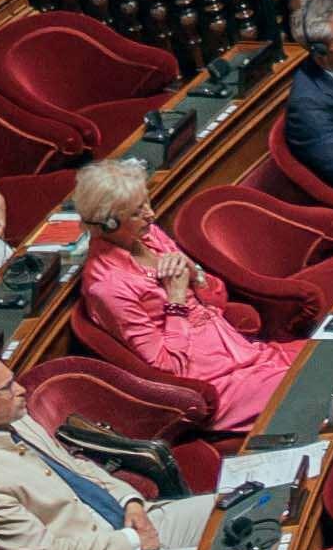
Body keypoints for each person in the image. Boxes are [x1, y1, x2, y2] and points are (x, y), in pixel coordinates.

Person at [0, 352, 207, 550]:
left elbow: (79, 468)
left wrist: (130, 502)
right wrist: (132, 540)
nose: (21, 389)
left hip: (132, 518)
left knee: (240, 508)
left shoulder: (16, 420)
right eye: (7, 388)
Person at [62, 163, 297, 427]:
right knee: (307, 388)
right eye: (137, 212)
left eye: (147, 202)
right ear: (110, 223)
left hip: (245, 353)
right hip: (217, 381)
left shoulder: (150, 237)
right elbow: (167, 367)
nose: (151, 215)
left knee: (331, 356)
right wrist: (176, 301)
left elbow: (217, 299)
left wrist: (194, 274)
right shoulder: (109, 286)